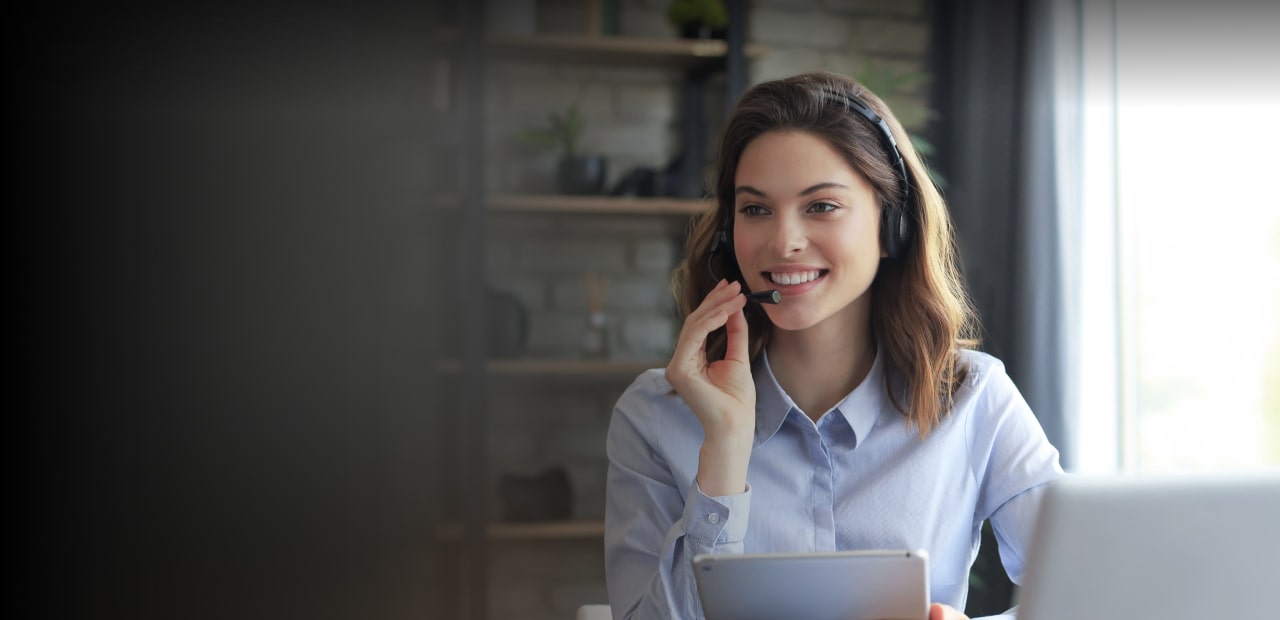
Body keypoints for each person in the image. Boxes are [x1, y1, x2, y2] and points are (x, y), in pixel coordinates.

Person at [603, 71, 1063, 620]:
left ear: (891, 225)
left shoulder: (973, 395)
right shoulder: (653, 417)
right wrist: (723, 454)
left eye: (820, 206)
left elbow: (1089, 592)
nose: (784, 241)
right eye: (755, 209)